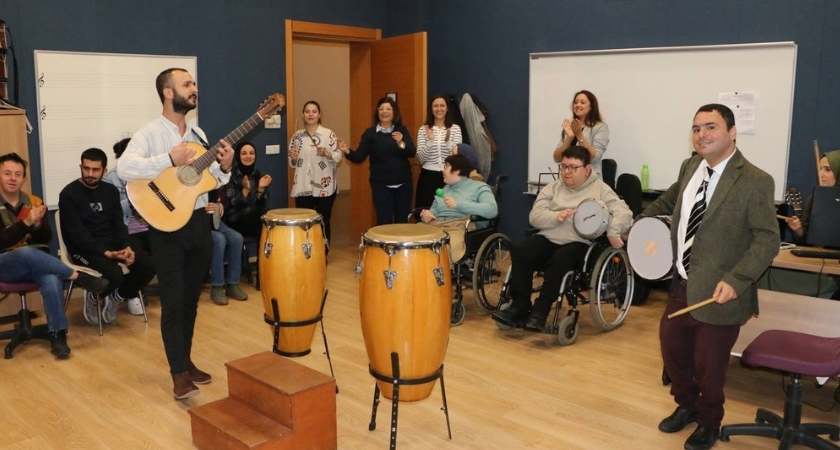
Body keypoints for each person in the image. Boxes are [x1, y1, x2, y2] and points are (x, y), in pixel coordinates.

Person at [642, 104, 779, 450]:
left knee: (709, 367)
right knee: (673, 354)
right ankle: (686, 405)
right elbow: (669, 201)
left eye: (710, 127)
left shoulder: (756, 180)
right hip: (681, 284)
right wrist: (640, 225)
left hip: (720, 293)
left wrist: (737, 279)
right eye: (696, 128)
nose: (701, 134)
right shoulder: (690, 167)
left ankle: (709, 421)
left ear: (732, 133)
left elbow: (767, 240)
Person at [117, 67, 239, 400]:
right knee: (173, 302)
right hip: (166, 228)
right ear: (168, 92)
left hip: (197, 223)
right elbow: (124, 168)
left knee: (191, 300)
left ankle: (185, 361)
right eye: (187, 84)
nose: (194, 88)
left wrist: (225, 166)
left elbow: (211, 179)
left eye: (193, 83)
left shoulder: (198, 134)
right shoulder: (150, 133)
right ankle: (178, 374)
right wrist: (168, 158)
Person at [492, 146, 632, 331]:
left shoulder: (600, 189)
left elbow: (624, 212)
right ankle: (520, 305)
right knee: (521, 251)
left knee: (561, 259)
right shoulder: (553, 187)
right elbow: (534, 216)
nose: (567, 172)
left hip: (579, 242)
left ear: (587, 169)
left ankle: (540, 311)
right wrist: (555, 217)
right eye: (564, 166)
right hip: (549, 237)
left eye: (573, 167)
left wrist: (613, 231)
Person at [0, 152, 109, 359]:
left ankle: (58, 334)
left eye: (18, 174)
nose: (13, 178)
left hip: (34, 262)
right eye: (7, 173)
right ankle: (76, 275)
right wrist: (25, 224)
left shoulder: (33, 201)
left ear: (23, 178)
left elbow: (46, 238)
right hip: (4, 264)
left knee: (50, 277)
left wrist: (37, 225)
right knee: (25, 252)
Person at [59, 148, 156, 326]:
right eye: (86, 168)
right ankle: (94, 297)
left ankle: (116, 297)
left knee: (148, 265)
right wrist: (106, 253)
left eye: (95, 170)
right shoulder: (68, 194)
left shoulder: (110, 191)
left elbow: (118, 224)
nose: (90, 174)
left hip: (111, 244)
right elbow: (76, 236)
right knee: (115, 275)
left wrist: (126, 246)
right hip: (83, 249)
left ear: (104, 171)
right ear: (81, 167)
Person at [340, 97, 416, 225]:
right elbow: (359, 157)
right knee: (384, 222)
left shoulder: (402, 130)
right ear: (377, 112)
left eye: (388, 109)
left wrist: (401, 142)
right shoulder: (370, 133)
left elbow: (411, 152)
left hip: (403, 184)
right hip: (381, 185)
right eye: (381, 109)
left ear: (394, 112)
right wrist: (347, 150)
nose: (384, 112)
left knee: (402, 222)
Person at [103, 137, 153, 316]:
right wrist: (132, 203)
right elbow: (111, 213)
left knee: (168, 251)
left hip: (147, 228)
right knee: (144, 263)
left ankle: (135, 288)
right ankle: (128, 293)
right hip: (125, 232)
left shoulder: (147, 176)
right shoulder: (111, 179)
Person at [419, 154, 497, 262]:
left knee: (443, 247)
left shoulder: (479, 187)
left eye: (446, 167)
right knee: (413, 238)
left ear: (457, 171)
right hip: (436, 225)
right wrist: (428, 214)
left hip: (459, 227)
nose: (442, 170)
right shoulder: (445, 189)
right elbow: (434, 210)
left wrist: (459, 204)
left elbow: (492, 210)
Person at [288, 101, 341, 246]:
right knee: (305, 222)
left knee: (323, 221)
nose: (310, 114)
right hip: (303, 185)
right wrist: (293, 158)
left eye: (314, 111)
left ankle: (323, 252)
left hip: (325, 186)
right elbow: (292, 163)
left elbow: (338, 157)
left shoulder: (328, 134)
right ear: (303, 115)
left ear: (319, 115)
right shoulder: (297, 136)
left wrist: (328, 153)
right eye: (307, 111)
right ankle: (307, 251)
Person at [415, 95, 463, 208]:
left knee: (447, 211)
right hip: (428, 177)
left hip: (449, 177)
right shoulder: (423, 129)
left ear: (447, 108)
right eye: (435, 106)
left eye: (442, 105)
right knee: (426, 210)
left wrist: (448, 142)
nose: (439, 109)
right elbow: (420, 159)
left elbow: (457, 158)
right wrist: (430, 142)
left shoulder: (455, 128)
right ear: (431, 109)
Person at [552, 90, 609, 177]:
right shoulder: (569, 126)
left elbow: (595, 158)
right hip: (567, 177)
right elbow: (557, 158)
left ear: (591, 107)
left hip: (589, 178)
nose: (578, 105)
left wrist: (579, 135)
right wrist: (569, 138)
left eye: (582, 102)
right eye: (575, 102)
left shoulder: (600, 127)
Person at [221, 141, 270, 241]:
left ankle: (261, 249)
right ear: (238, 156)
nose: (248, 156)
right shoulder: (230, 175)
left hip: (254, 218)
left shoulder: (258, 174)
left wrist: (261, 188)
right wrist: (245, 190)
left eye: (251, 153)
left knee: (266, 218)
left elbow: (262, 204)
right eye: (244, 153)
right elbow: (231, 204)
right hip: (234, 219)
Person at [207, 191, 247, 305]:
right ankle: (217, 287)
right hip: (199, 223)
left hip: (215, 221)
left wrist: (220, 206)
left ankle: (232, 284)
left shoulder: (216, 183)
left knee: (237, 238)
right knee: (219, 239)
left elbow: (225, 201)